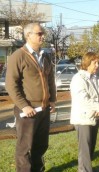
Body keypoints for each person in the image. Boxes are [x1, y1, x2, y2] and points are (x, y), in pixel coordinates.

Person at [5, 23, 56, 171]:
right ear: (28, 35)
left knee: (41, 146)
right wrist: (24, 106)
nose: (43, 36)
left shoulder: (45, 56)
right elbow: (11, 85)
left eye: (43, 33)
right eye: (39, 33)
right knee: (25, 148)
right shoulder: (18, 56)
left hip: (44, 110)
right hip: (28, 111)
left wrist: (52, 99)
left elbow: (50, 79)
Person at [70, 52, 99, 172]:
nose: (97, 65)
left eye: (98, 62)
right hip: (83, 119)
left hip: (94, 118)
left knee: (90, 149)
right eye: (95, 62)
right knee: (85, 151)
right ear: (87, 63)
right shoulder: (78, 79)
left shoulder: (96, 79)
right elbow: (83, 99)